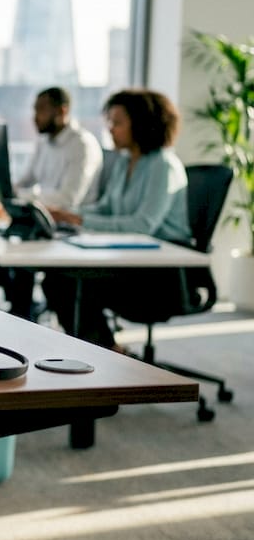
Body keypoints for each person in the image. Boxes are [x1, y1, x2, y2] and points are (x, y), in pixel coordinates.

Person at [40, 89, 191, 350]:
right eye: (109, 121)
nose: (110, 129)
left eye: (117, 122)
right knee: (58, 279)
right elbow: (108, 208)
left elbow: (143, 225)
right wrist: (71, 216)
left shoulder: (163, 166)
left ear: (142, 124)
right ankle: (105, 350)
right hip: (130, 260)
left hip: (161, 273)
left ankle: (105, 353)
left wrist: (80, 220)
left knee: (70, 283)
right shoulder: (124, 161)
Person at [0, 87, 103, 319]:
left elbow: (67, 200)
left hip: (70, 229)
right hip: (42, 224)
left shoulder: (82, 145)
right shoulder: (44, 142)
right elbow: (25, 182)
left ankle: (22, 315)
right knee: (2, 253)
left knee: (18, 258)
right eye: (34, 110)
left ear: (62, 111)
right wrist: (2, 189)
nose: (35, 117)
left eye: (41, 111)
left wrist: (23, 197)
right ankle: (20, 313)